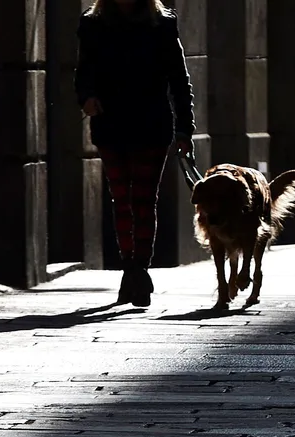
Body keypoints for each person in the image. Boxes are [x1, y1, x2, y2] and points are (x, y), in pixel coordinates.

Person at [75, 0, 196, 308]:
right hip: (110, 123)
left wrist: (185, 130)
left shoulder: (162, 23)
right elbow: (84, 69)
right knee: (121, 200)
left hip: (151, 124)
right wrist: (86, 97)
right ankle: (131, 268)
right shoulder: (93, 22)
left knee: (142, 200)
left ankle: (138, 269)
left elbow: (179, 80)